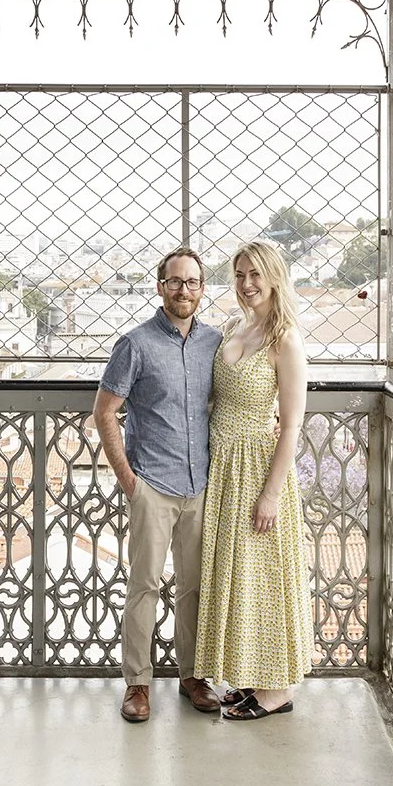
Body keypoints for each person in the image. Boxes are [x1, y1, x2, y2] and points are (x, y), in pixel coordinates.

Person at [94, 247, 224, 722]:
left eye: (192, 282)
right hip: (152, 482)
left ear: (202, 289)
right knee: (144, 586)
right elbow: (104, 413)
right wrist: (129, 480)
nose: (183, 290)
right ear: (159, 286)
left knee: (194, 587)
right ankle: (138, 684)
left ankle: (192, 676)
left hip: (202, 484)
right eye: (175, 281)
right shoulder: (135, 344)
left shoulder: (215, 342)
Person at [194, 239, 314, 721]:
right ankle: (248, 676)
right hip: (222, 466)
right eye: (239, 274)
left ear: (275, 278)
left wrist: (270, 493)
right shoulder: (233, 327)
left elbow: (290, 425)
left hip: (257, 468)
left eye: (255, 275)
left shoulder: (285, 339)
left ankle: (276, 691)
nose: (246, 284)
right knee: (236, 576)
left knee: (264, 578)